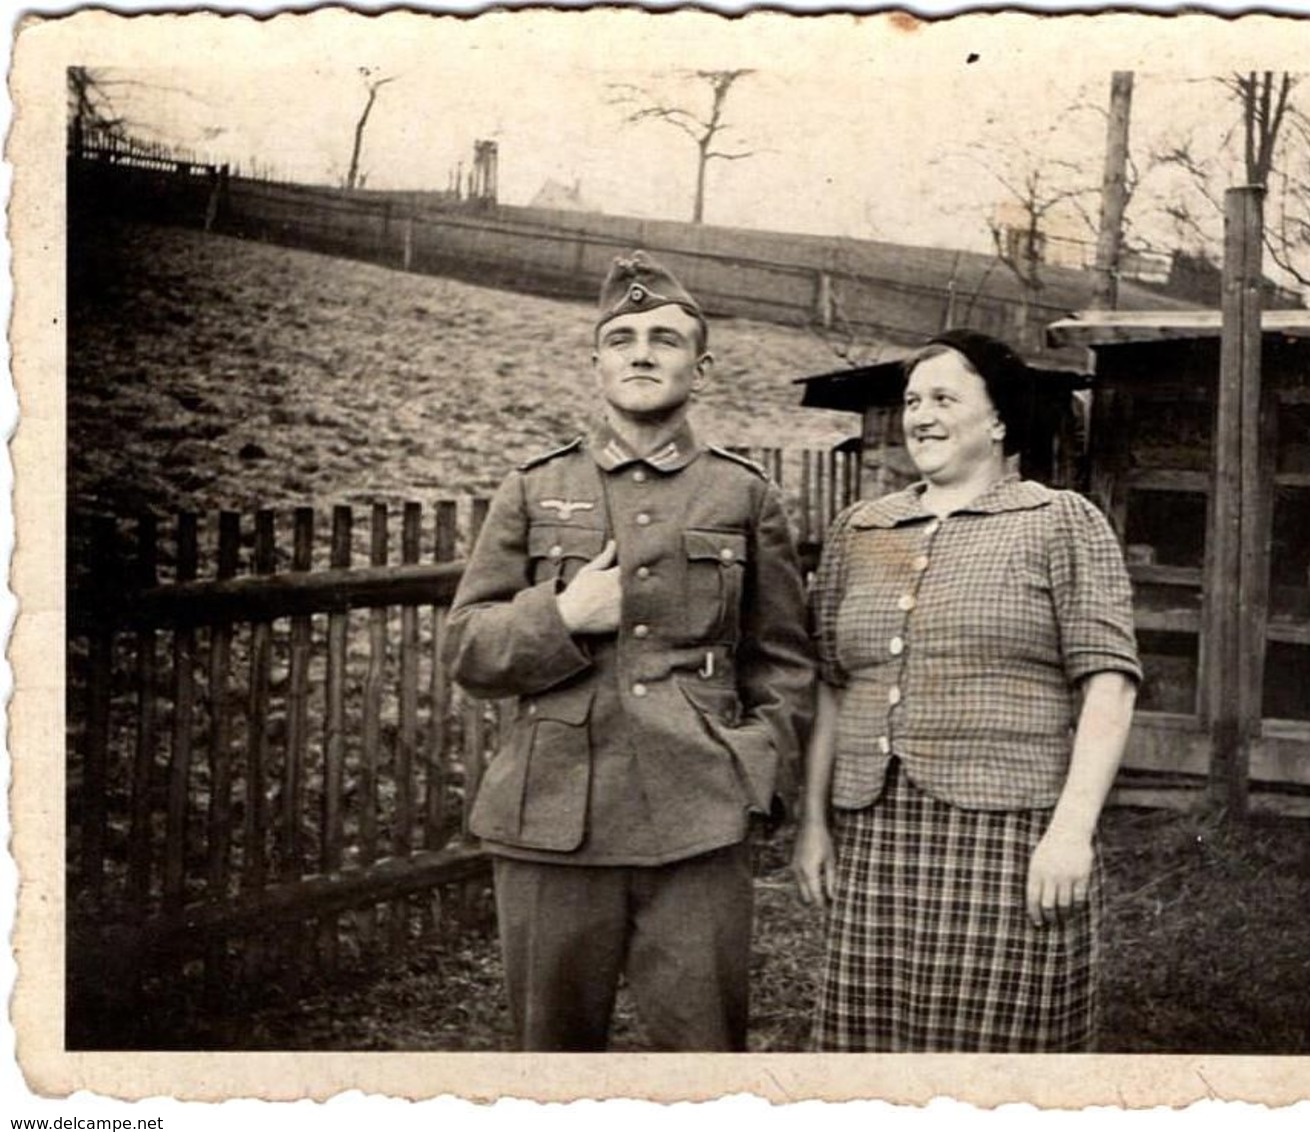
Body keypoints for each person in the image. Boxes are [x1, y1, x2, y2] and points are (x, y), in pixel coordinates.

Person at [447, 250, 814, 1052]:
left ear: (700, 366)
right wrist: (565, 614)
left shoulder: (742, 494)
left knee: (702, 1061)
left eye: (664, 338)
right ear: (597, 362)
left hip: (699, 817)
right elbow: (468, 648)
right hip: (550, 820)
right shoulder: (533, 487)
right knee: (552, 1062)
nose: (641, 352)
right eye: (621, 338)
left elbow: (783, 660)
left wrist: (756, 770)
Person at [791, 328, 1142, 1053]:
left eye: (944, 398)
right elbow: (832, 685)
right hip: (877, 835)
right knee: (874, 1057)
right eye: (913, 400)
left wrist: (1070, 832)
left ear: (1000, 420)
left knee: (997, 1058)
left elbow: (1109, 684)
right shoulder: (860, 530)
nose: (920, 415)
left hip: (1008, 835)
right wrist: (813, 824)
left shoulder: (1061, 522)